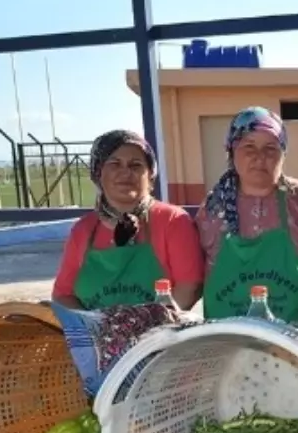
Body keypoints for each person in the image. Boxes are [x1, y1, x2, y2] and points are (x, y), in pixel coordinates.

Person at [194, 107, 298, 336]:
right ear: (231, 151)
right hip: (230, 345)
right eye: (249, 147)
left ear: (283, 154)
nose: (259, 157)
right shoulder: (213, 209)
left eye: (270, 148)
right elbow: (192, 278)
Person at [52, 130, 203, 310]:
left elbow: (189, 287)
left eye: (136, 165)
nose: (125, 172)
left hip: (160, 334)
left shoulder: (172, 220)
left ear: (150, 177)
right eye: (115, 164)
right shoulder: (83, 230)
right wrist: (95, 329)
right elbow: (63, 295)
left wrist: (150, 328)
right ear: (98, 174)